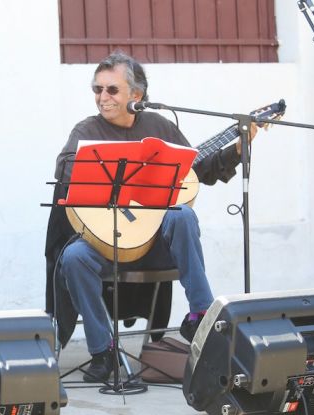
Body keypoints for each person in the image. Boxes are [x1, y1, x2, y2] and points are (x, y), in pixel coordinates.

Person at [46, 50, 250, 383]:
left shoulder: (160, 126)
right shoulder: (86, 129)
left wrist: (236, 150)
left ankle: (201, 313)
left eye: (111, 90)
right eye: (97, 89)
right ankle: (103, 351)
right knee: (72, 256)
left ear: (136, 95)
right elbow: (65, 170)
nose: (102, 97)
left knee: (182, 214)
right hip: (105, 242)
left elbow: (200, 171)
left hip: (154, 243)